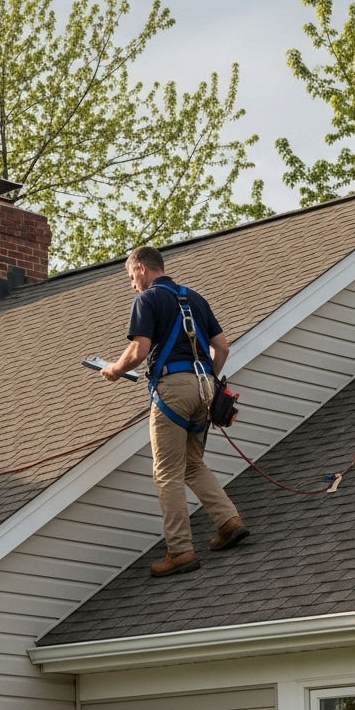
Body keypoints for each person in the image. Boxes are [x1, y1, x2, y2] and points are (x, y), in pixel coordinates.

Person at [100, 246, 249, 576]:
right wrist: (210, 380)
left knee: (166, 471)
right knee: (193, 463)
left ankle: (180, 551)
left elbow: (139, 350)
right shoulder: (194, 298)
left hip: (173, 390)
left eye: (130, 277)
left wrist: (114, 369)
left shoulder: (147, 300)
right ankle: (228, 522)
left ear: (141, 268)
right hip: (205, 388)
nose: (132, 285)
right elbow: (222, 347)